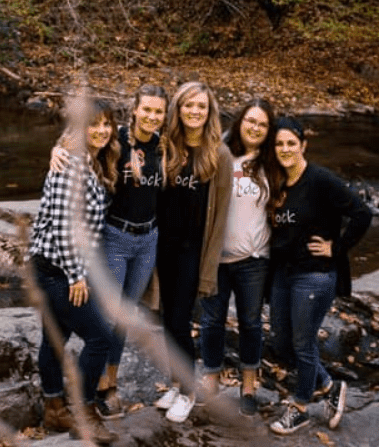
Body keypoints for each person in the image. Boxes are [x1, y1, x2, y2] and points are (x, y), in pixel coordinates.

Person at [266, 117, 371, 436]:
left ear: (303, 146)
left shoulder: (321, 180)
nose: (285, 149)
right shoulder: (277, 180)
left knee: (303, 342)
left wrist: (337, 247)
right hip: (284, 275)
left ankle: (299, 408)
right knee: (282, 343)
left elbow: (362, 213)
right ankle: (329, 385)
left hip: (315, 275)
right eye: (279, 144)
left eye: (291, 143)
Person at [28, 97, 121, 445]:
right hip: (58, 270)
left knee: (55, 339)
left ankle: (53, 409)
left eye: (105, 124)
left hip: (51, 266)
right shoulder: (72, 166)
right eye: (92, 124)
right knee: (100, 338)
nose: (100, 130)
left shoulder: (88, 158)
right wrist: (76, 276)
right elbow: (67, 228)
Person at [152, 81, 234, 424]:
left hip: (191, 252)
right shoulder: (165, 146)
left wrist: (208, 271)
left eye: (201, 106)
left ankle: (188, 391)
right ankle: (175, 383)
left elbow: (220, 220)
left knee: (179, 321)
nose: (194, 111)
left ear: (209, 111)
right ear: (178, 109)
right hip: (160, 249)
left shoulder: (220, 155)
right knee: (163, 320)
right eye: (188, 105)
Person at [198, 98, 281, 417]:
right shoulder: (218, 153)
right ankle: (211, 381)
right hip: (216, 257)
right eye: (251, 121)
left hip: (254, 259)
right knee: (211, 321)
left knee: (250, 322)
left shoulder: (273, 163)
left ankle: (248, 385)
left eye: (262, 124)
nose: (255, 128)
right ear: (240, 122)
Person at [91, 84, 168, 419]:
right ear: (134, 109)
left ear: (165, 116)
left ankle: (110, 377)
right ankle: (99, 385)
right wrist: (57, 151)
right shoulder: (116, 139)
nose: (152, 117)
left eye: (158, 112)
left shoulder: (166, 147)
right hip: (116, 236)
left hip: (148, 239)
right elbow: (83, 141)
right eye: (146, 109)